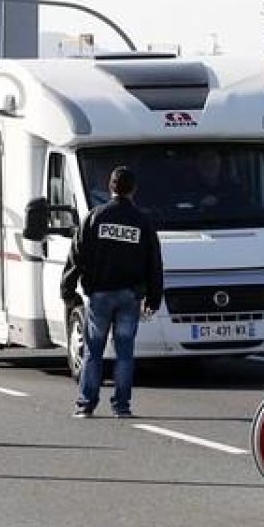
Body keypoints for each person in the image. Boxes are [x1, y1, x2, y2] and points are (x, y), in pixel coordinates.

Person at [60, 166, 163, 418]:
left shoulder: (95, 217)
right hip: (130, 296)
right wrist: (153, 297)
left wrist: (68, 288)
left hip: (100, 295)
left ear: (110, 187)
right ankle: (122, 406)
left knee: (93, 351)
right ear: (134, 189)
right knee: (125, 352)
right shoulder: (142, 221)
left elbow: (77, 255)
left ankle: (86, 404)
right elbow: (154, 262)